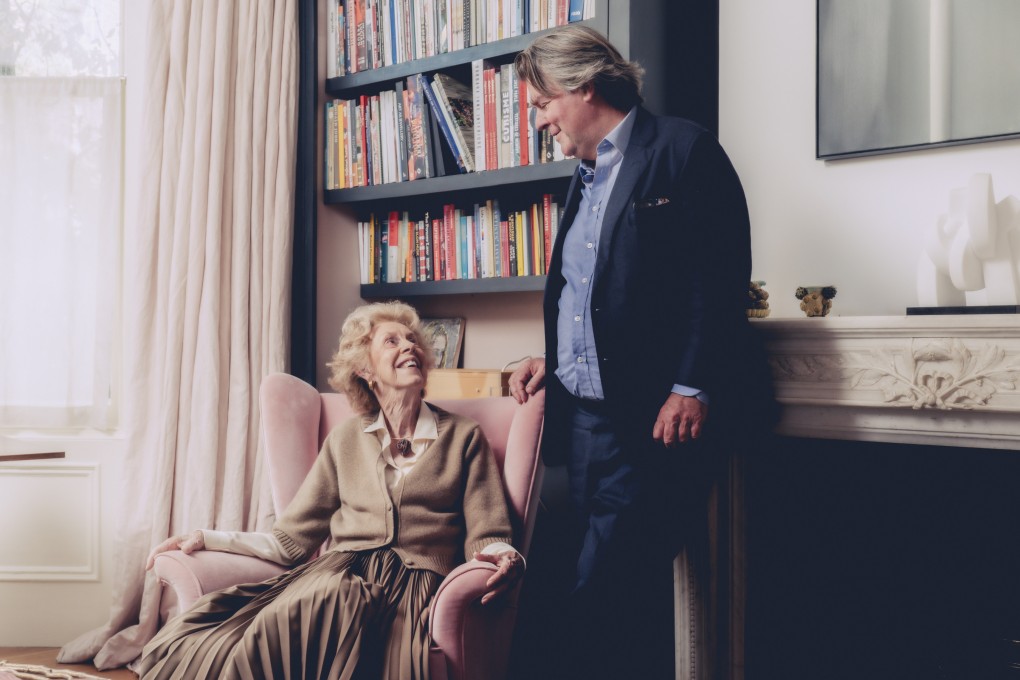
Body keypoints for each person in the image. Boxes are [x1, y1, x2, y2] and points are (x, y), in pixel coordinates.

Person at [508, 25, 775, 680]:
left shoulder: (683, 151)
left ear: (582, 87)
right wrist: (558, 357)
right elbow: (587, 291)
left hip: (650, 426)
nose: (539, 120)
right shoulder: (583, 174)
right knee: (579, 594)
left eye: (541, 104)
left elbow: (715, 282)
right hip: (583, 425)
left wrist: (691, 386)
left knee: (599, 596)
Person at [138, 301, 524, 680]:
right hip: (336, 574)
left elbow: (488, 532)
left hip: (412, 586)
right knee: (219, 634)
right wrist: (206, 538)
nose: (410, 346)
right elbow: (290, 540)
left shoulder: (463, 437)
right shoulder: (345, 439)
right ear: (365, 369)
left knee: (341, 598)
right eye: (392, 341)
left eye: (413, 340)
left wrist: (505, 557)